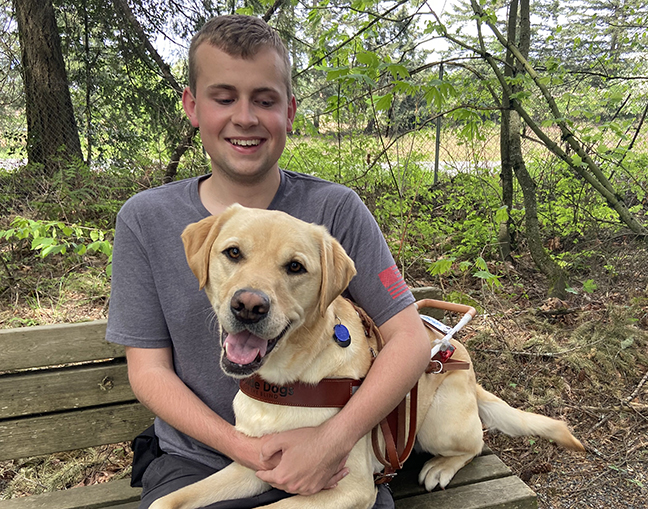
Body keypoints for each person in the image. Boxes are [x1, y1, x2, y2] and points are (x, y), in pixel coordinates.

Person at [106, 14, 431, 509]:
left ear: (290, 111)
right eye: (223, 97)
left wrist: (332, 440)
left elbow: (410, 338)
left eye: (264, 100)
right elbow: (149, 372)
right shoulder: (146, 219)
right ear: (192, 106)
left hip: (328, 448)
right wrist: (249, 451)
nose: (245, 117)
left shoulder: (335, 211)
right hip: (201, 457)